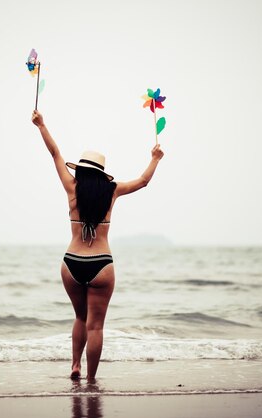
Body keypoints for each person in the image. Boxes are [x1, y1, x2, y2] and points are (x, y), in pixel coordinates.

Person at [31, 110, 164, 380]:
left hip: (72, 262)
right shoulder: (112, 190)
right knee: (96, 326)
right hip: (101, 264)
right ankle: (91, 379)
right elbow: (143, 181)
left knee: (80, 318)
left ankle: (75, 366)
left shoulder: (72, 187)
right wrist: (155, 158)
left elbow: (55, 154)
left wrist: (42, 125)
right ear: (101, 173)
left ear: (80, 170)